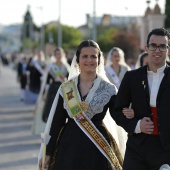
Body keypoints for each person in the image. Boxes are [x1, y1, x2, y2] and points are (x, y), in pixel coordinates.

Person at [38, 40, 134, 170]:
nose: (89, 60)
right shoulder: (66, 88)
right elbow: (56, 123)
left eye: (93, 56)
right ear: (77, 60)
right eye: (85, 56)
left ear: (99, 60)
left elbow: (118, 116)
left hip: (97, 149)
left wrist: (134, 117)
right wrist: (48, 153)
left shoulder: (108, 89)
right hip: (69, 148)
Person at [113, 27, 170, 170]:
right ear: (146, 48)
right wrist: (137, 125)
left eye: (162, 46)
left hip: (166, 150)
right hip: (136, 149)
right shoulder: (132, 77)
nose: (157, 50)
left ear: (168, 50)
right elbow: (117, 110)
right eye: (153, 46)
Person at [31, 47, 70, 135]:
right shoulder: (51, 66)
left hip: (63, 89)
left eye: (60, 53)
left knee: (62, 109)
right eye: (56, 54)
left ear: (62, 54)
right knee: (51, 110)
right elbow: (46, 82)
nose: (58, 55)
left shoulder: (66, 67)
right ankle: (50, 130)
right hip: (53, 90)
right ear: (54, 55)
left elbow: (69, 80)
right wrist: (44, 94)